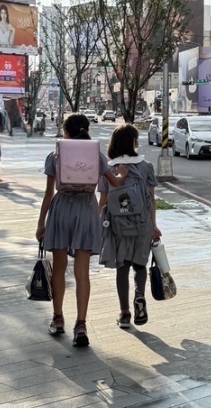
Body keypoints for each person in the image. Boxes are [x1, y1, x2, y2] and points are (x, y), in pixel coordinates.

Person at [36, 112, 117, 348]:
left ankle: (58, 318)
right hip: (86, 210)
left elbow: (48, 193)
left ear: (66, 132)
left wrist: (41, 223)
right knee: (83, 272)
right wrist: (124, 174)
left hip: (61, 209)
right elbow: (114, 182)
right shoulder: (97, 155)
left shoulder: (55, 155)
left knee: (59, 268)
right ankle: (81, 325)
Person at [100, 124, 161, 330]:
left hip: (118, 225)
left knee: (122, 267)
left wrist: (98, 225)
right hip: (142, 224)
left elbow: (103, 202)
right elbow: (151, 200)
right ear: (134, 142)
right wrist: (154, 226)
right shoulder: (146, 167)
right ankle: (140, 295)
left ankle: (125, 313)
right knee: (140, 265)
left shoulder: (109, 168)